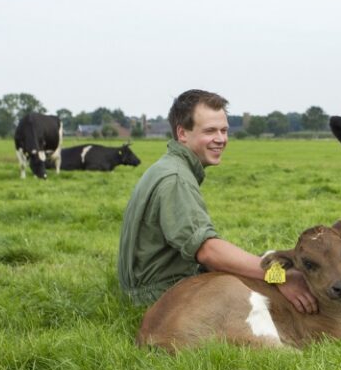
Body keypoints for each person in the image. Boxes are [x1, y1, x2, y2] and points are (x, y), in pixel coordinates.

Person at [117, 89, 318, 313]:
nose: (221, 139)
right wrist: (279, 276)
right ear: (182, 133)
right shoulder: (176, 179)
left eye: (224, 130)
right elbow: (208, 251)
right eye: (210, 131)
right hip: (159, 294)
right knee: (269, 284)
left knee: (263, 263)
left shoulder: (169, 167)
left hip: (148, 287)